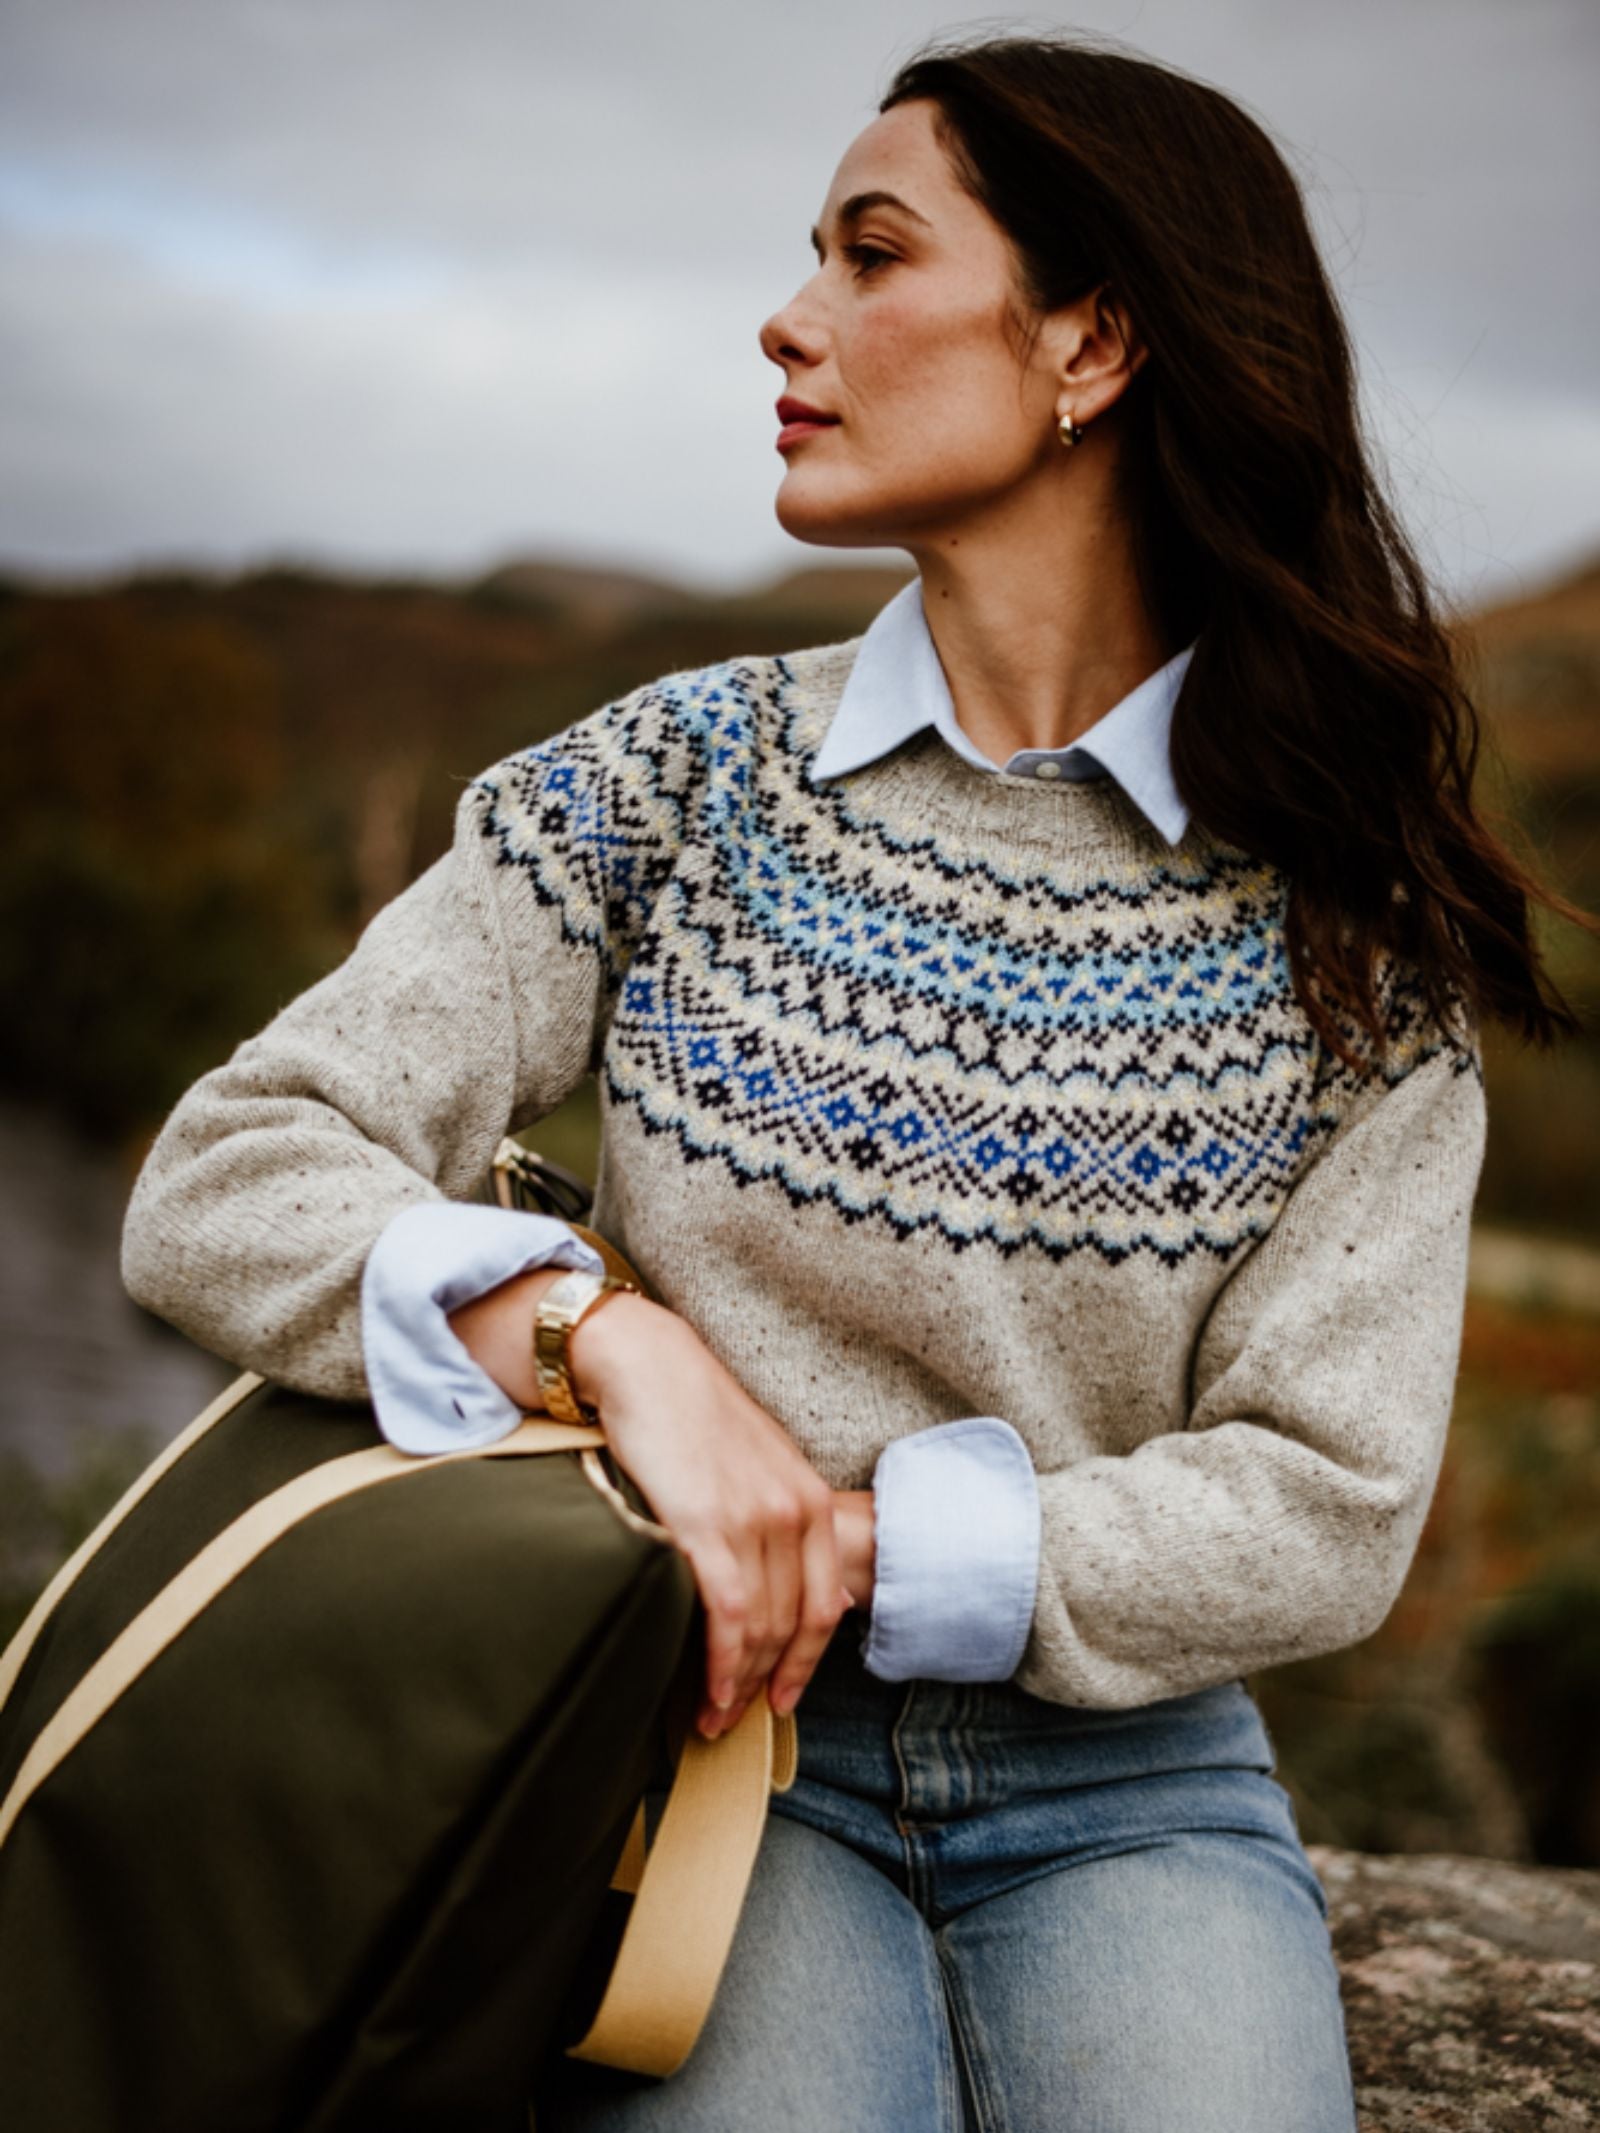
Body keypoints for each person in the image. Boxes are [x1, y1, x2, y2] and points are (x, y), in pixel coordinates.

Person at [120, 29, 1593, 2133]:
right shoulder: (672, 779)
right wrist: (607, 1340)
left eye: (871, 254)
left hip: (1137, 1787)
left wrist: (865, 1538)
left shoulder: (1349, 936)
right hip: (700, 1739)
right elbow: (228, 1169)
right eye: (811, 251)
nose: (787, 316)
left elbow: (1325, 1501)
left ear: (1092, 344)